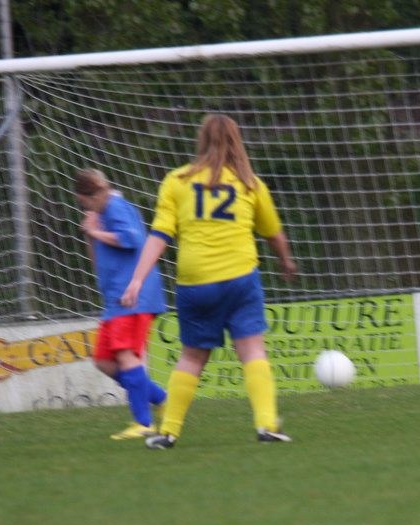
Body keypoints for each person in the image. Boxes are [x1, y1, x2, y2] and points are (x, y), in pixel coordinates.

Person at [121, 114, 297, 449]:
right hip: (240, 277)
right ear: (237, 141)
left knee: (192, 357)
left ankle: (168, 432)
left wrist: (137, 279)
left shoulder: (177, 180)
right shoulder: (250, 184)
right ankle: (266, 426)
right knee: (252, 351)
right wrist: (285, 260)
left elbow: (160, 235)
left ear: (201, 140)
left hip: (196, 282)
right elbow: (273, 234)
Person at [75, 169, 168, 439]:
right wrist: (91, 234)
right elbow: (97, 260)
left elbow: (132, 239)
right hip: (115, 299)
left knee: (126, 355)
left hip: (132, 296)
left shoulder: (116, 206)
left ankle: (143, 423)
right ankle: (161, 398)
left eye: (83, 202)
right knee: (103, 361)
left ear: (85, 197)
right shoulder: (103, 213)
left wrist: (95, 231)